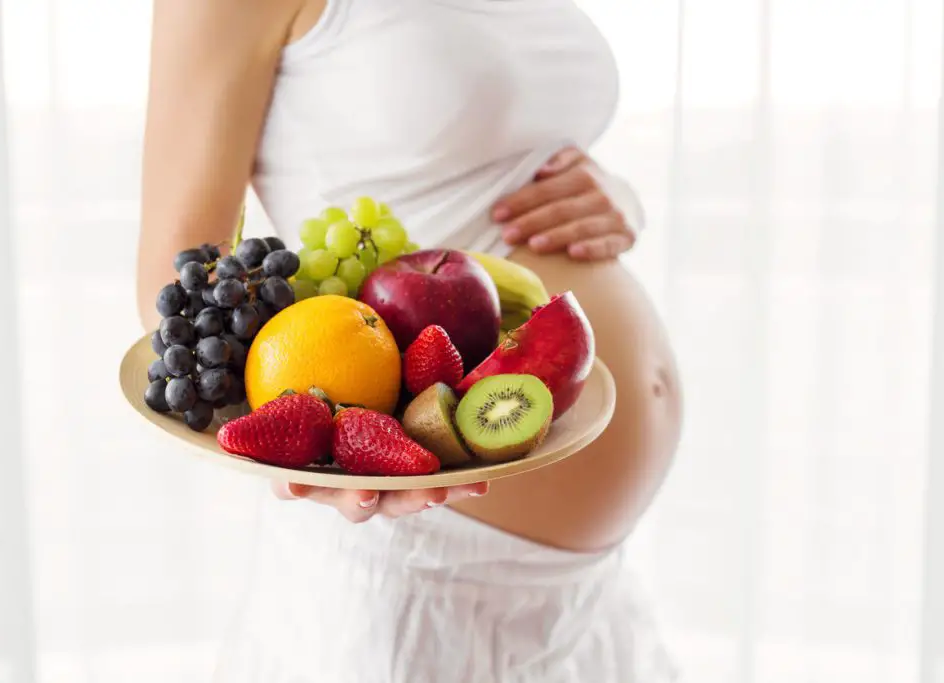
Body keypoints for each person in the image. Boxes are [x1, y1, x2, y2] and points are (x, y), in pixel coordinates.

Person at [136, 1, 683, 680]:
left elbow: (489, 143)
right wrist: (314, 459)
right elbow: (181, 290)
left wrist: (618, 197)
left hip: (587, 599)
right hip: (411, 576)